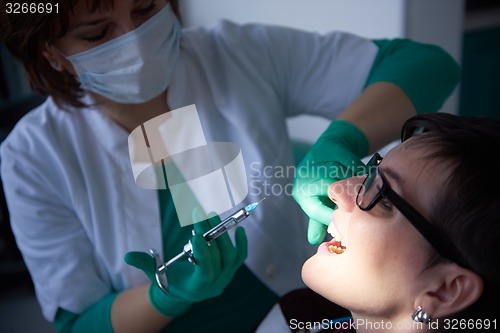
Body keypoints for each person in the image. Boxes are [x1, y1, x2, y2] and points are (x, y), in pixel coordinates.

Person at [0, 0, 460, 332]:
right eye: (97, 34)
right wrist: (166, 298)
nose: (134, 42)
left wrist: (344, 137)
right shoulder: (33, 156)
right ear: (50, 51)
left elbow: (427, 63)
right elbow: (78, 323)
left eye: (145, 10)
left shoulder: (235, 53)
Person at [259, 113, 500, 332]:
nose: (336, 189)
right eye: (372, 171)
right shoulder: (297, 315)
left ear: (445, 290)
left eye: (383, 199)